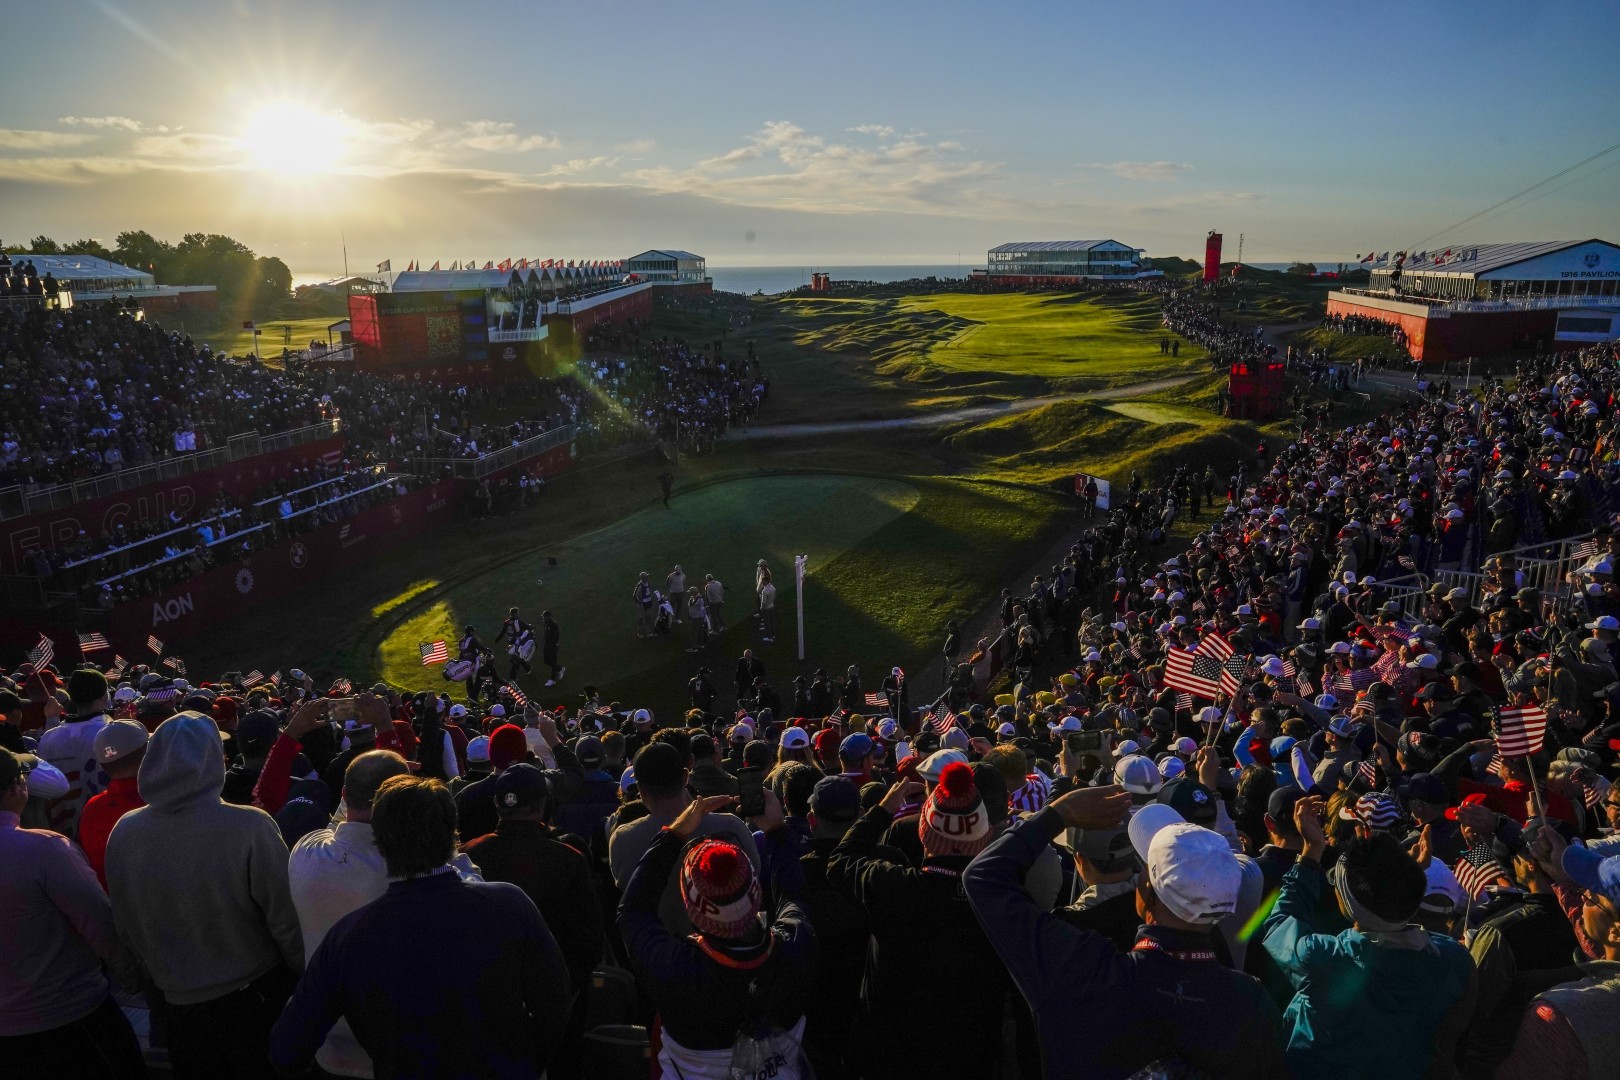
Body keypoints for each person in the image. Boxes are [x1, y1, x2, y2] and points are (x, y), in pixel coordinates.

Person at [964, 784, 1287, 1080]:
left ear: (1145, 889)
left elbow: (983, 877)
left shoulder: (1086, 971)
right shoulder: (1250, 1002)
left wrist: (1058, 815)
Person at [270, 775, 572, 1079]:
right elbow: (555, 1001)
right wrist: (528, 1063)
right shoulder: (509, 904)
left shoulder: (349, 936)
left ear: (381, 843)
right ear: (452, 835)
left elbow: (287, 1048)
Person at [105, 711, 304, 1080]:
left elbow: (125, 921)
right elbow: (286, 922)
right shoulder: (250, 826)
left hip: (176, 1003)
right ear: (214, 759)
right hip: (253, 1000)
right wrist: (303, 976)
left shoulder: (124, 831)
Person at [1259, 794, 1476, 1080]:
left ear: (1349, 905)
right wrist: (1401, 874)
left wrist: (1312, 852)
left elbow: (1279, 922)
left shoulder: (1321, 959)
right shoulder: (1454, 959)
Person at [826, 762, 1010, 1080]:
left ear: (923, 832)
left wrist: (883, 810)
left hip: (888, 1058)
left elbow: (841, 859)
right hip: (968, 1059)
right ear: (984, 836)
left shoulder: (891, 886)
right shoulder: (1005, 904)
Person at [618, 789, 816, 1080]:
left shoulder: (673, 969)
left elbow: (633, 910)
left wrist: (674, 834)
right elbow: (793, 895)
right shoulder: (796, 945)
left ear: (691, 908)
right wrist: (775, 829)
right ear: (757, 894)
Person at [0, 747, 145, 1079]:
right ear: (14, 788)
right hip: (67, 1018)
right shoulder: (44, 850)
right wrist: (132, 976)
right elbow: (99, 923)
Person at [460, 763, 605, 998]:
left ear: (497, 804)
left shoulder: (468, 855)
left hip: (484, 995)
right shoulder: (568, 859)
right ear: (542, 806)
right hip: (552, 993)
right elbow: (590, 940)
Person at [609, 741, 760, 934]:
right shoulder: (731, 826)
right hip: (733, 949)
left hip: (661, 952)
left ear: (641, 790)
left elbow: (631, 902)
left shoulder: (623, 839)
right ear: (685, 777)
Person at [36, 667, 112, 839]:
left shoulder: (48, 738)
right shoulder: (108, 734)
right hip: (102, 832)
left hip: (57, 835)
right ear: (103, 697)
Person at [75, 720, 148, 889]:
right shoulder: (158, 801)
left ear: (103, 766)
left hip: (111, 907)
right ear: (147, 755)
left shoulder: (92, 807)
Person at [494, 606, 535, 681]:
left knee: (519, 657)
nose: (518, 614)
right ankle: (512, 678)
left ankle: (528, 669)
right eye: (517, 613)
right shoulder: (517, 621)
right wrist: (532, 627)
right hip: (518, 644)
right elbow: (526, 627)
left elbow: (502, 632)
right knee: (516, 661)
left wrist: (497, 639)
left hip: (510, 644)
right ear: (515, 613)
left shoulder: (506, 622)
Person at [541, 609, 564, 686]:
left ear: (549, 617)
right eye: (543, 617)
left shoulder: (554, 625)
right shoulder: (545, 623)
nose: (543, 618)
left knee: (553, 663)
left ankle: (552, 680)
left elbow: (556, 637)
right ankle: (560, 669)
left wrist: (552, 646)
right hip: (546, 646)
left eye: (545, 617)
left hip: (552, 647)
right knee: (546, 661)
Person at [633, 572, 657, 638]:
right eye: (646, 577)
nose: (647, 577)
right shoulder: (640, 585)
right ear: (643, 578)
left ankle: (649, 633)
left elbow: (649, 592)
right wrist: (640, 602)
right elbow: (635, 595)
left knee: (648, 617)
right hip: (642, 604)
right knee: (640, 618)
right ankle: (639, 633)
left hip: (648, 603)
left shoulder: (648, 583)